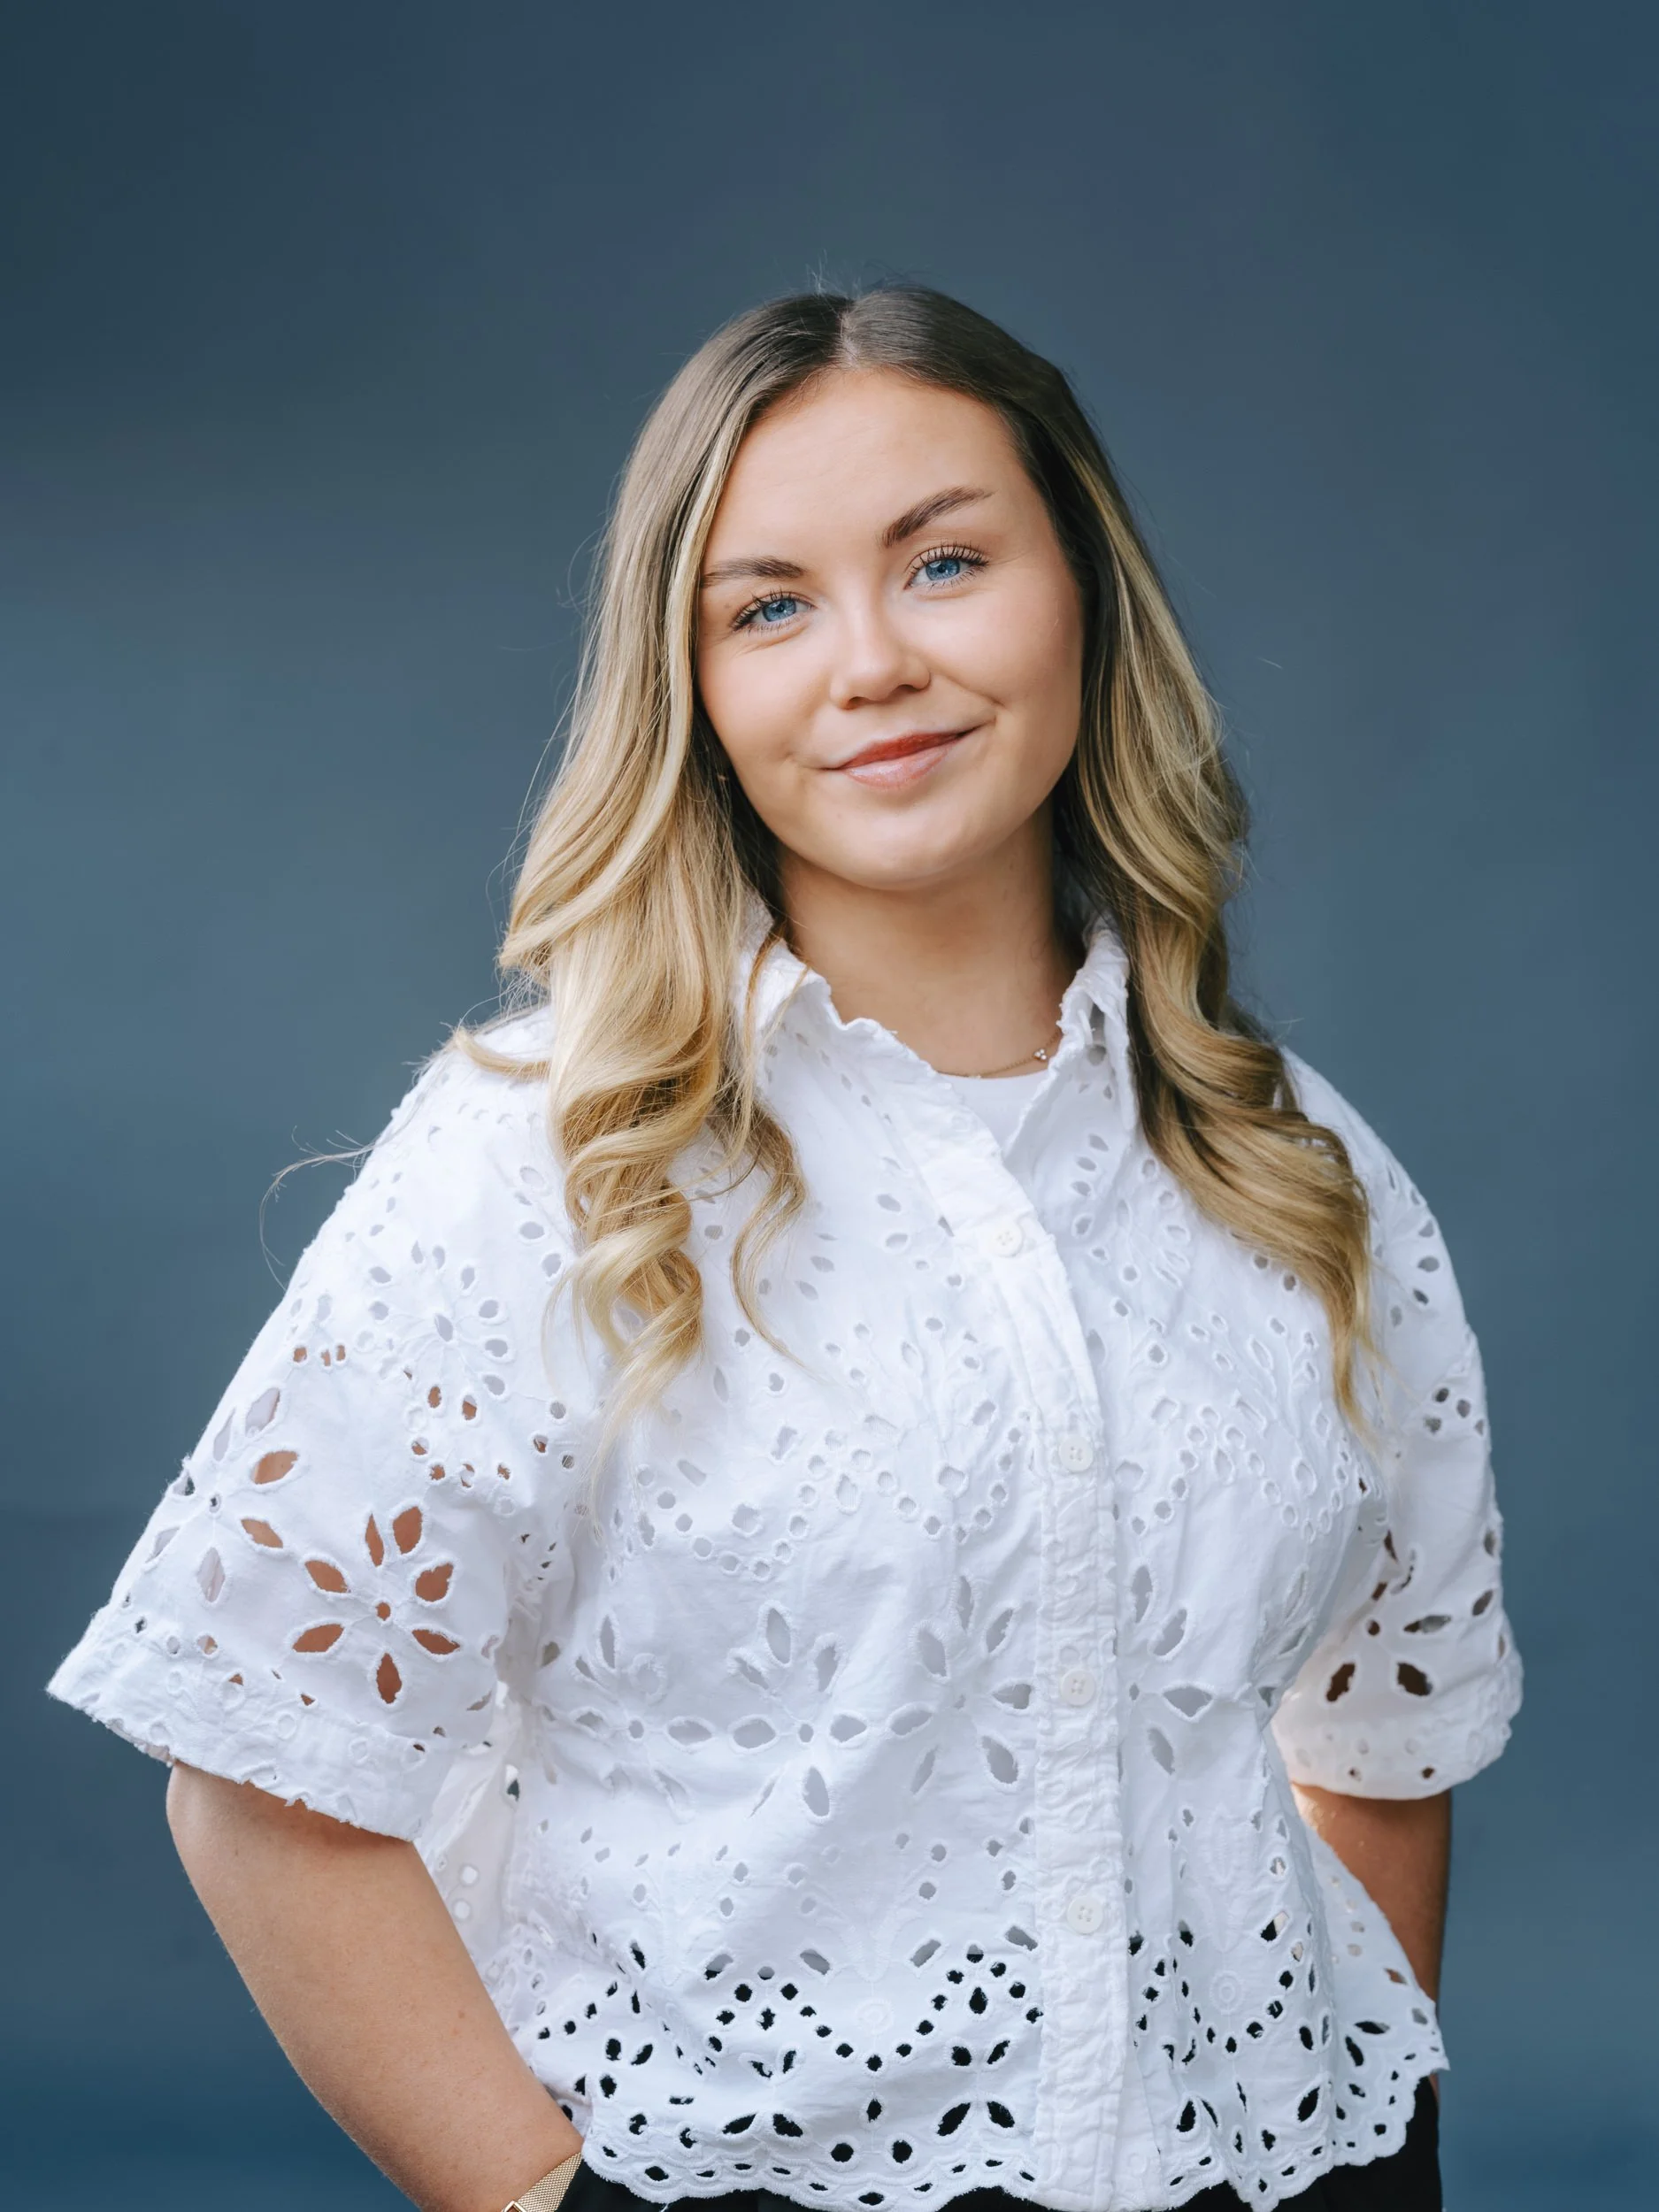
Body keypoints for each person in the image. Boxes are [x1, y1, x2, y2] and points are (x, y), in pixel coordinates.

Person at [47, 286, 1519, 2212]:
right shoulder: (546, 1151)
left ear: (1079, 587)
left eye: (945, 560)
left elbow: (1384, 1734)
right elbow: (254, 1782)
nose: (874, 660)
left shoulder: (1293, 1160)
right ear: (694, 682)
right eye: (770, 603)